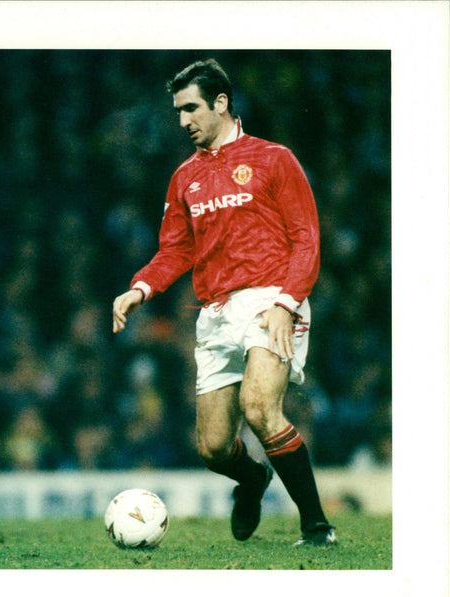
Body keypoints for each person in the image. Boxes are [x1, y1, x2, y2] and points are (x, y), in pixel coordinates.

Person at [112, 59, 336, 546]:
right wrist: (140, 287)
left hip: (270, 300)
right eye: (177, 111)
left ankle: (317, 527)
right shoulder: (184, 178)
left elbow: (307, 240)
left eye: (191, 108)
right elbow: (177, 248)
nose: (182, 120)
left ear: (221, 103)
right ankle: (252, 479)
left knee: (260, 408)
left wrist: (286, 302)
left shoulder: (275, 159)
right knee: (213, 449)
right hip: (214, 312)